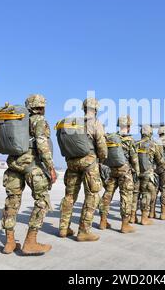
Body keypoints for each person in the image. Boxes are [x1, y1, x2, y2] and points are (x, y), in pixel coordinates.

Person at [1, 94, 57, 255]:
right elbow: (41, 143)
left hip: (13, 165)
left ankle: (9, 242)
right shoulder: (39, 121)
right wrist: (50, 167)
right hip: (31, 165)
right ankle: (30, 242)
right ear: (41, 107)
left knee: (11, 202)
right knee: (42, 201)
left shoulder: (18, 120)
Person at [58, 98, 107, 242]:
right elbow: (102, 145)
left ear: (84, 108)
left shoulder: (73, 123)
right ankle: (84, 231)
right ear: (96, 109)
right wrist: (101, 160)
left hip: (72, 163)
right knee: (92, 195)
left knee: (69, 196)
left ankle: (63, 228)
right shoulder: (96, 123)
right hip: (89, 163)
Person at [99, 115, 139, 233]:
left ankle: (103, 221)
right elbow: (134, 159)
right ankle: (125, 225)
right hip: (125, 171)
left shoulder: (112, 137)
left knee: (107, 195)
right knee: (126, 196)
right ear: (128, 126)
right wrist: (136, 172)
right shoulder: (130, 140)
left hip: (111, 170)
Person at [135, 125, 164, 224]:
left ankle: (132, 217)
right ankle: (144, 218)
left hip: (135, 173)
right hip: (147, 173)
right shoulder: (153, 144)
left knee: (135, 195)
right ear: (150, 133)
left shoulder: (135, 144)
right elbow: (160, 160)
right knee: (146, 194)